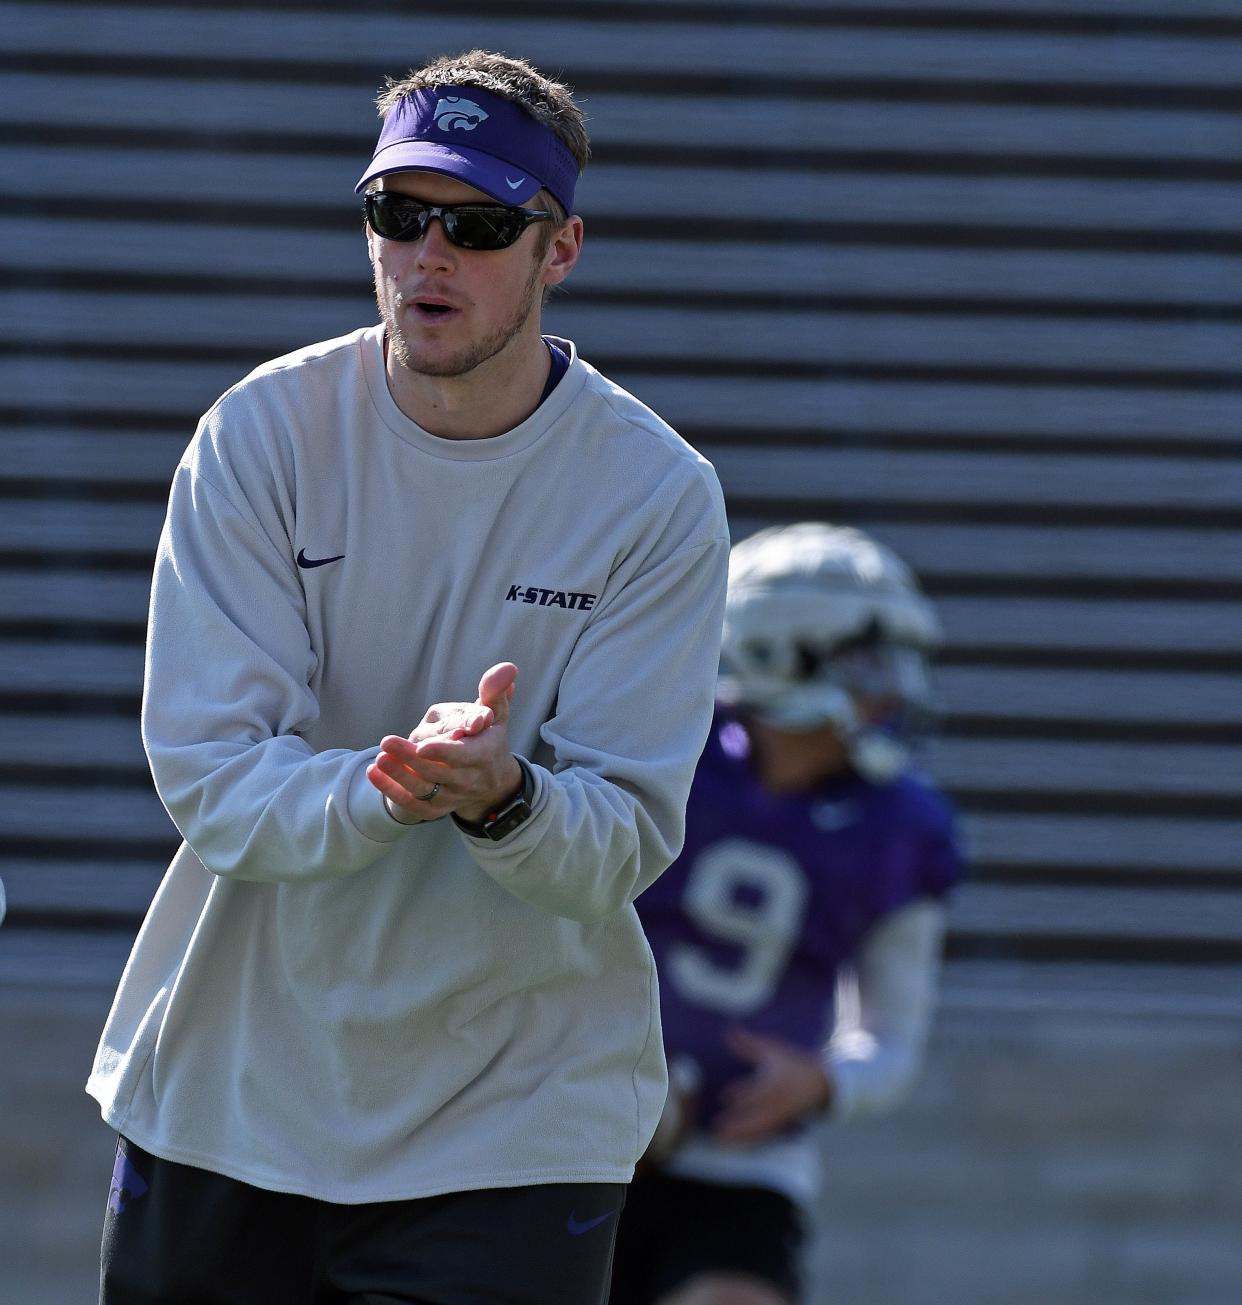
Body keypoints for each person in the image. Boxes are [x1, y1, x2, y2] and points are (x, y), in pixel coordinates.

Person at [88, 50, 730, 1305]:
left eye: (481, 224)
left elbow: (622, 840)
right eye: (397, 213)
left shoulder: (655, 494)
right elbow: (212, 780)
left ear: (562, 251)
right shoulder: (260, 434)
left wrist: (503, 798)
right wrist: (388, 791)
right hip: (229, 1096)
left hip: (516, 1125)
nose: (430, 255)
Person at [611, 522, 965, 1305]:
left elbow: (894, 1038)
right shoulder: (666, 757)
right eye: (868, 661)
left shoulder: (901, 822)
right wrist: (610, 1063)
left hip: (745, 1160)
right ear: (773, 651)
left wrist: (822, 1082)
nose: (893, 688)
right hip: (582, 1124)